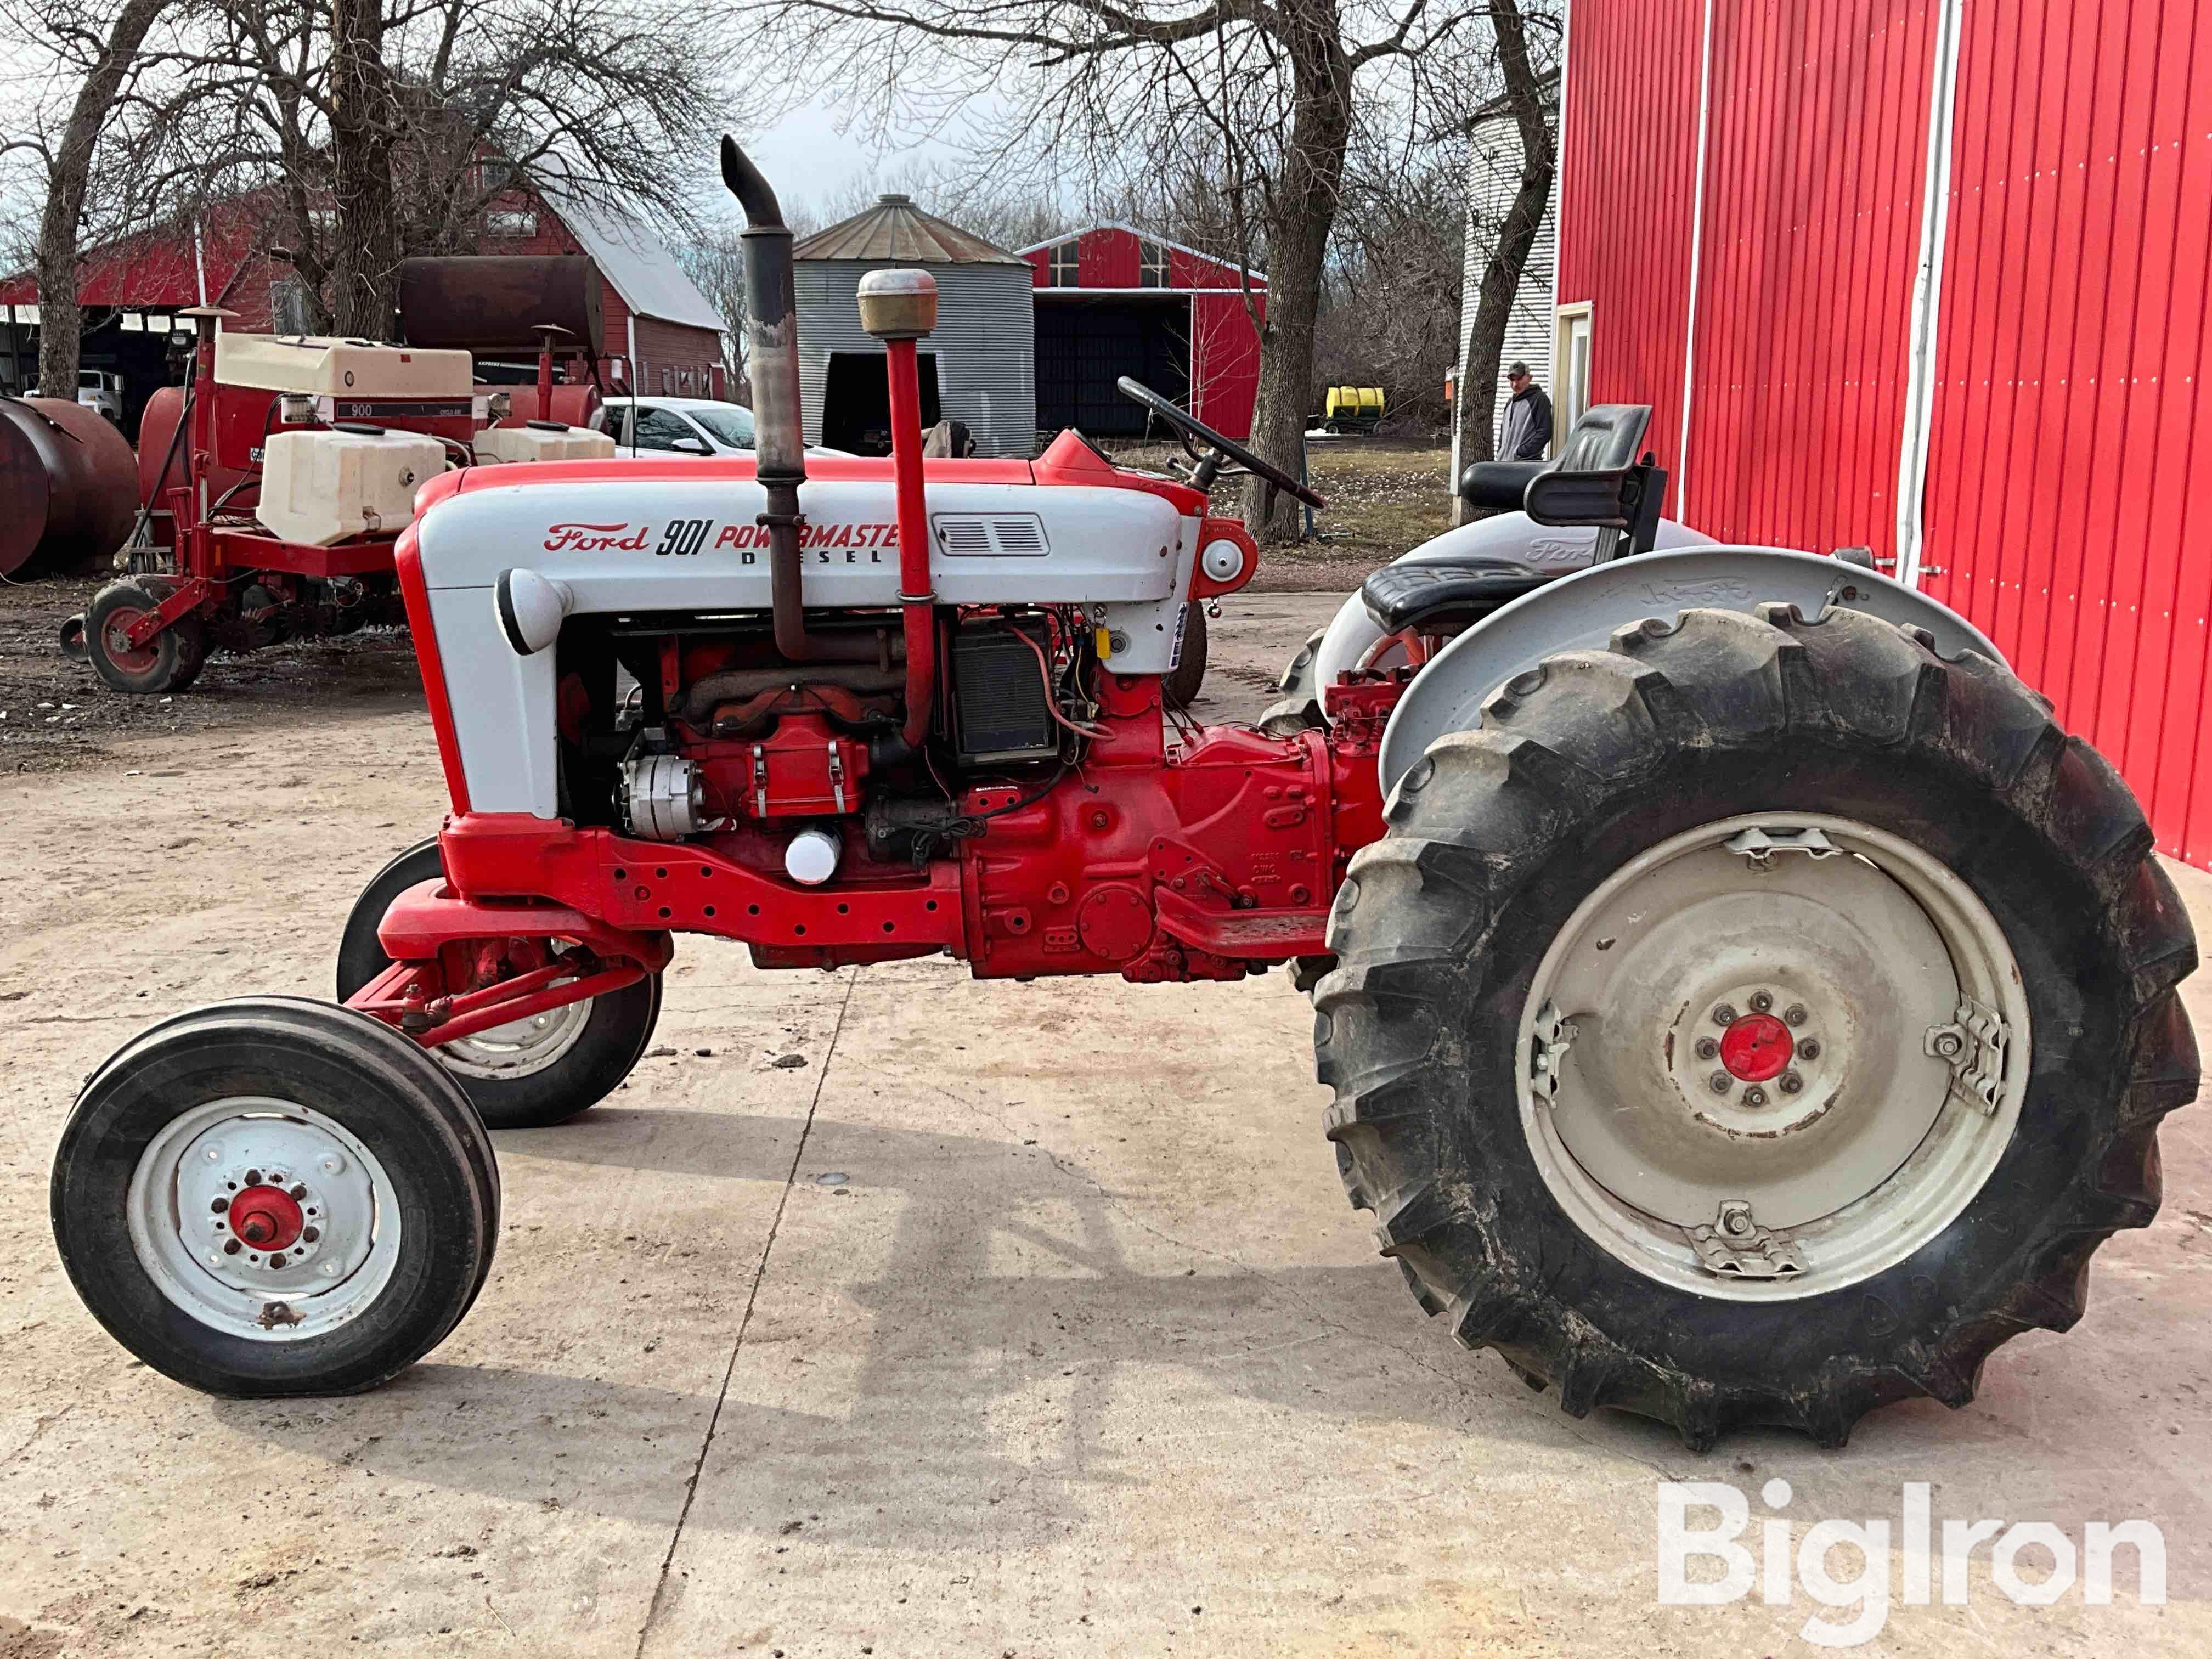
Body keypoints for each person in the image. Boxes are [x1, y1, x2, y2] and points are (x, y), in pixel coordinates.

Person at [1498, 361, 1553, 462]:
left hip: (1525, 467)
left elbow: (1544, 433)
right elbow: (1503, 435)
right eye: (1512, 380)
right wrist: (1500, 453)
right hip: (1505, 466)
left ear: (1529, 378)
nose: (1515, 385)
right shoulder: (1509, 403)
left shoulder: (1540, 400)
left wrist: (1520, 453)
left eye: (1519, 379)